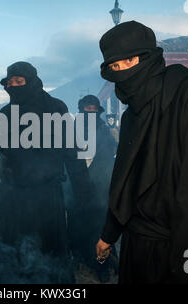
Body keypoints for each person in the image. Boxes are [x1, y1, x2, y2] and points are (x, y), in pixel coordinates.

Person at [95, 21, 188, 284]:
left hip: (176, 244)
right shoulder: (133, 111)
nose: (121, 73)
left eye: (127, 62)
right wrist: (110, 233)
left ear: (146, 57)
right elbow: (126, 177)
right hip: (136, 243)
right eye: (114, 68)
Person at [0, 61, 92, 284]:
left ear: (32, 81)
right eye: (10, 83)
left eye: (19, 82)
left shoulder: (56, 108)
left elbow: (71, 151)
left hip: (46, 197)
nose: (13, 87)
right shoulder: (6, 112)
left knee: (49, 252)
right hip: (11, 197)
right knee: (10, 252)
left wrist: (83, 192)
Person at [69, 95, 117, 282]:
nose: (90, 112)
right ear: (81, 111)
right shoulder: (71, 132)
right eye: (87, 109)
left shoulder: (105, 132)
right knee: (75, 227)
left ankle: (101, 266)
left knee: (98, 229)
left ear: (98, 112)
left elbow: (111, 157)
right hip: (76, 191)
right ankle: (79, 259)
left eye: (94, 109)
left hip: (99, 191)